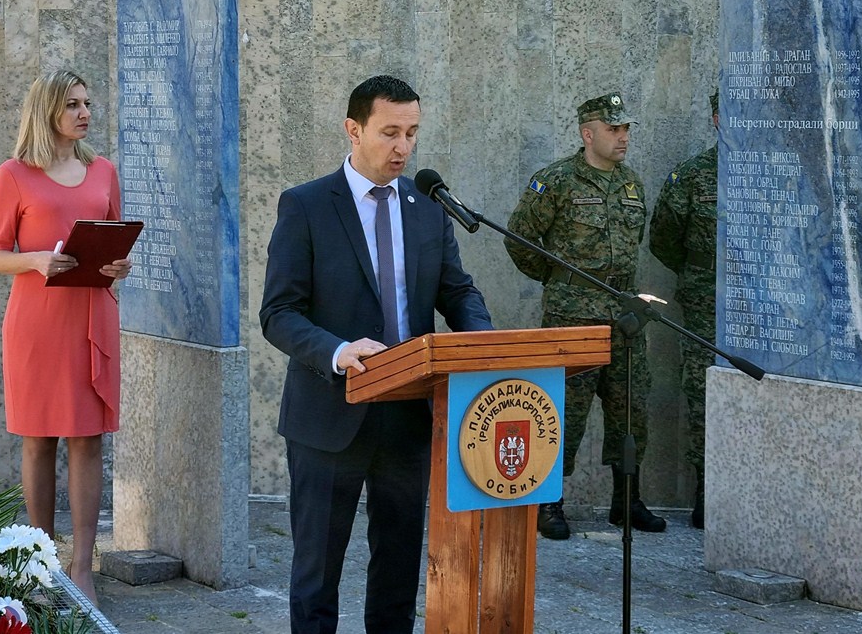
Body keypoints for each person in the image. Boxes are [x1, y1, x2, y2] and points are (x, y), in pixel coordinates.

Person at [259, 75, 493, 634]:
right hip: (330, 412)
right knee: (317, 573)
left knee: (397, 573)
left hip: (408, 415)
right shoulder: (306, 206)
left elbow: (457, 292)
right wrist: (337, 350)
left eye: (412, 133)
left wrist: (480, 344)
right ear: (353, 129)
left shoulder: (427, 208)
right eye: (390, 132)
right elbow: (279, 313)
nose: (403, 147)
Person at [0, 70, 132, 603]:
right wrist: (37, 260)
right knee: (39, 439)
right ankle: (42, 560)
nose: (84, 112)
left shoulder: (103, 170)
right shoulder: (14, 174)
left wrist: (120, 267)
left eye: (86, 103)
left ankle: (83, 567)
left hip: (92, 316)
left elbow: (116, 241)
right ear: (47, 109)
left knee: (88, 438)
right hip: (37, 322)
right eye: (72, 104)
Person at [504, 92, 666, 540]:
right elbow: (520, 240)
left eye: (626, 128)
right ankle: (549, 502)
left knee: (630, 409)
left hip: (625, 317)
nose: (623, 137)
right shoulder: (556, 181)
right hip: (572, 317)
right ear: (588, 133)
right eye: (613, 129)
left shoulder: (632, 184)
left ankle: (626, 500)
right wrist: (560, 282)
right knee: (563, 410)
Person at [648, 89, 719, 529]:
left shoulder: (777, 168)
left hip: (764, 305)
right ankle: (706, 488)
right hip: (706, 303)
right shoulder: (691, 177)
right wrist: (699, 274)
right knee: (702, 391)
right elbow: (664, 240)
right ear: (717, 119)